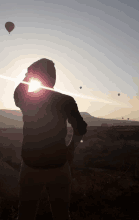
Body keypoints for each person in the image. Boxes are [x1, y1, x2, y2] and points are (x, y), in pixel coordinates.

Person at [14, 58, 87, 220]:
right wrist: (71, 149)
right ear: (54, 78)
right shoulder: (66, 101)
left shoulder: (28, 100)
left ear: (38, 77)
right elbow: (81, 128)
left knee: (25, 214)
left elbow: (17, 95)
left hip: (31, 166)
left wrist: (28, 75)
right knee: (61, 214)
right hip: (58, 166)